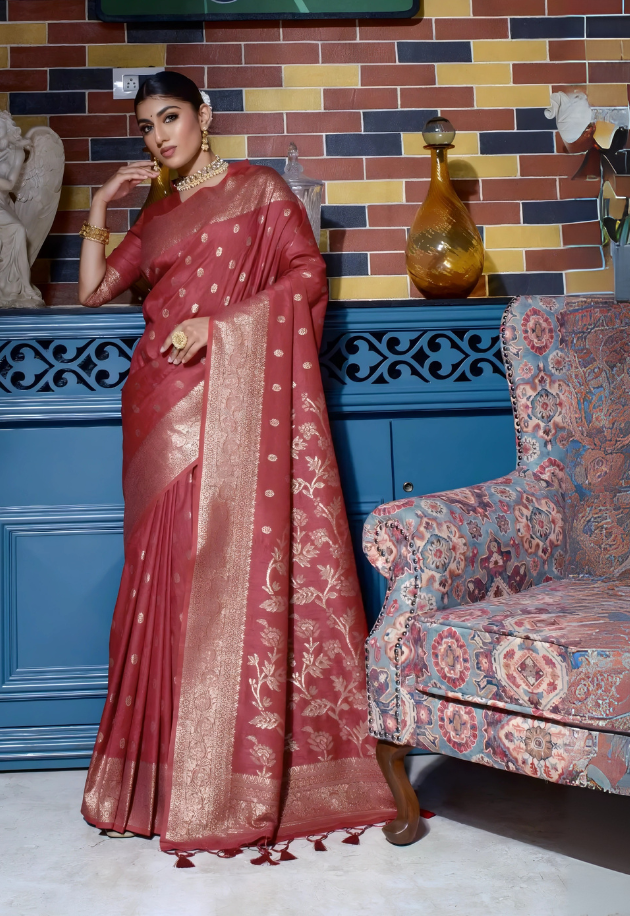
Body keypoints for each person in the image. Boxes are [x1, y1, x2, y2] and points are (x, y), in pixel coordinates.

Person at [78, 70, 396, 862]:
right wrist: (97, 208)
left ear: (205, 116)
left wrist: (222, 329)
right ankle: (156, 782)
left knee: (217, 578)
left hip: (230, 400)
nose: (159, 137)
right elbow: (91, 294)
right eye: (147, 127)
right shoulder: (152, 216)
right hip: (158, 406)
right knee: (161, 586)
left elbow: (305, 279)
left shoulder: (260, 192)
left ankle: (219, 776)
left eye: (171, 118)